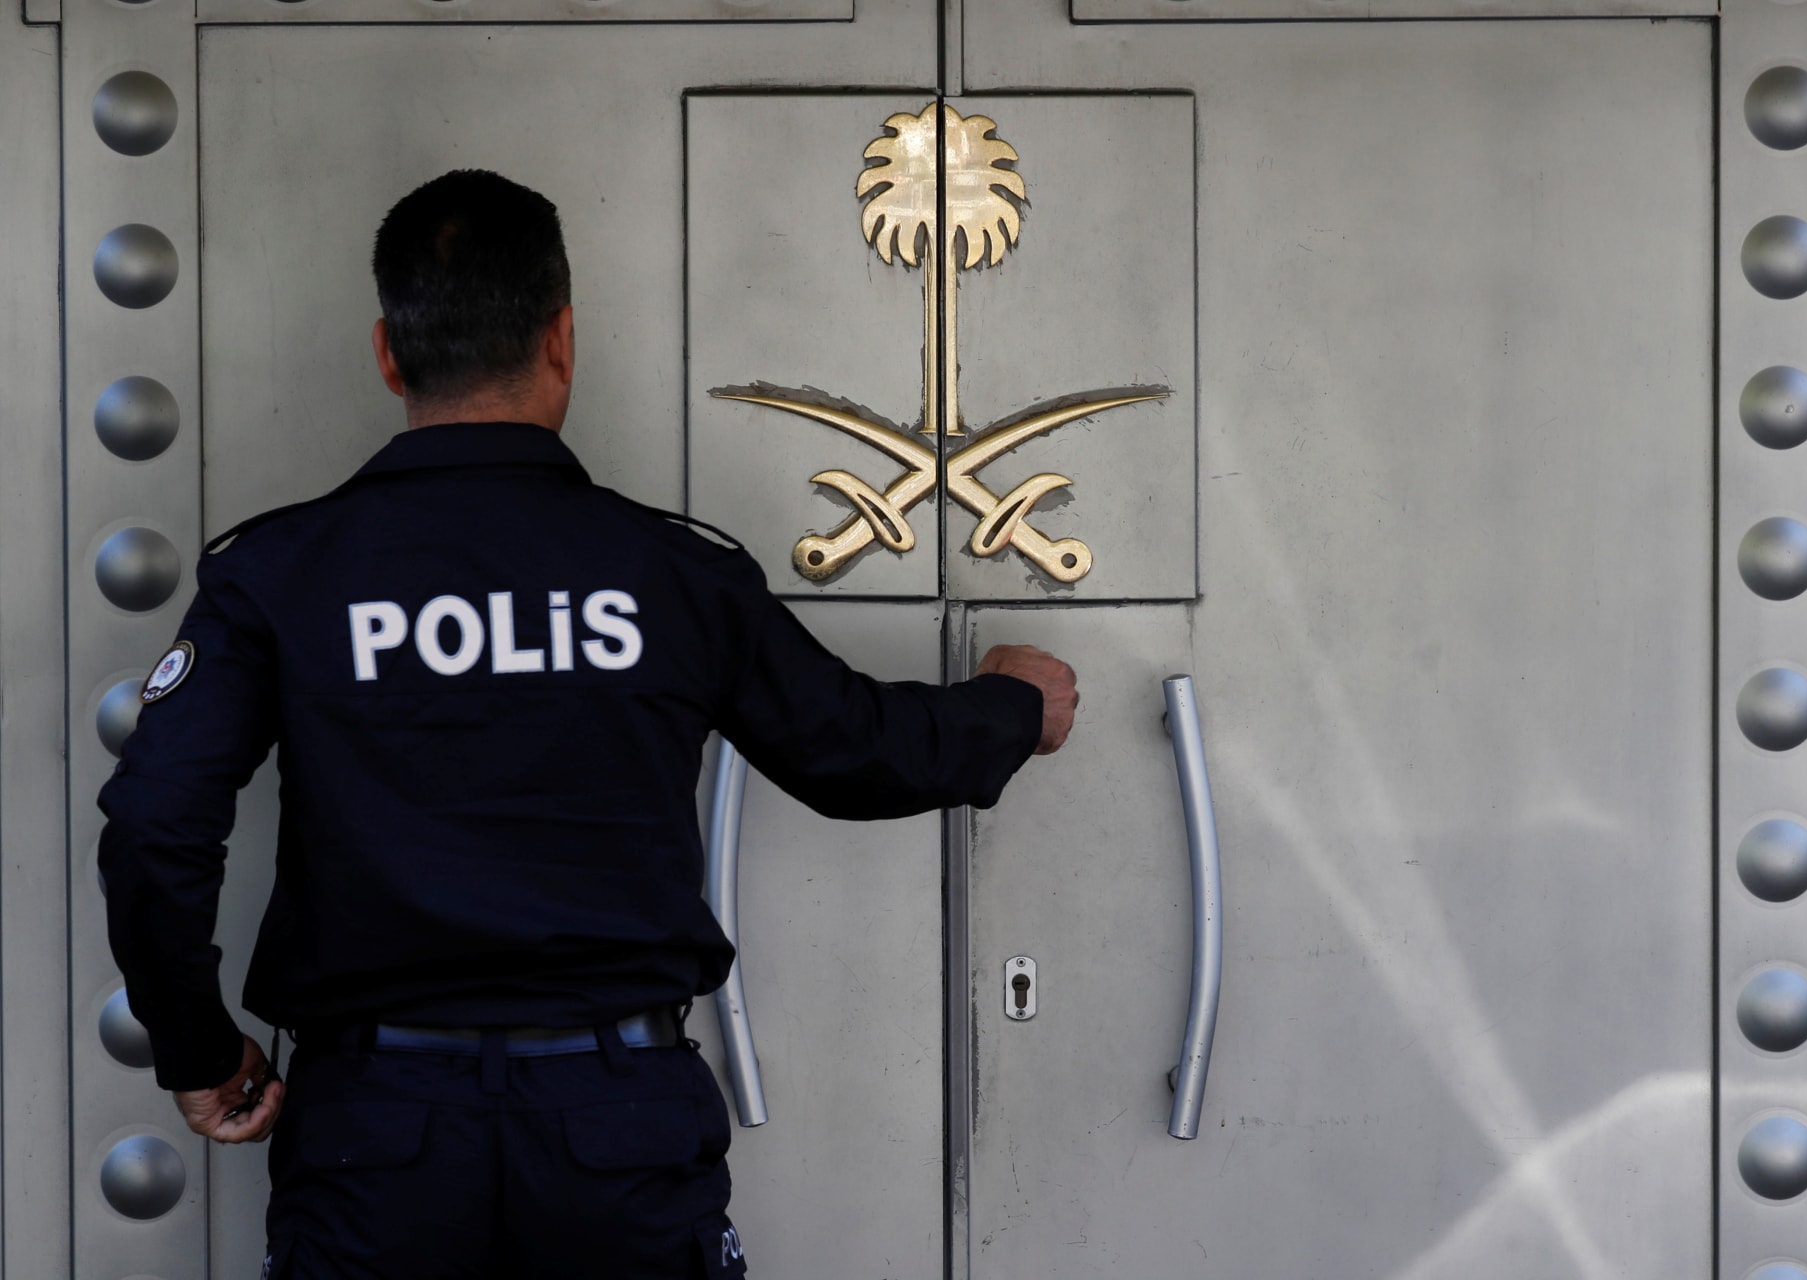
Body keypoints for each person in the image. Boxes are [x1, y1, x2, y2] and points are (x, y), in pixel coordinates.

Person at [97, 169, 1077, 1279]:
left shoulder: (277, 574)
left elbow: (155, 824)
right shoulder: (670, 573)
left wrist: (199, 1043)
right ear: (563, 339)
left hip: (375, 1134)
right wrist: (1012, 704)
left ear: (388, 352)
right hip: (619, 1127)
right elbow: (852, 748)